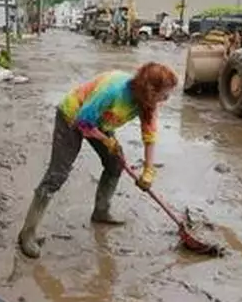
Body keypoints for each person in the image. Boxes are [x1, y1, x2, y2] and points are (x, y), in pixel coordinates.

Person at [18, 63, 179, 258]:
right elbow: (83, 122)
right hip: (73, 115)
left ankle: (101, 212)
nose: (166, 99)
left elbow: (150, 136)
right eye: (165, 94)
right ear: (151, 90)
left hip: (100, 121)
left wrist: (148, 170)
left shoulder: (148, 103)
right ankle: (27, 233)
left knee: (115, 164)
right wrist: (106, 140)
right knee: (57, 175)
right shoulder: (113, 91)